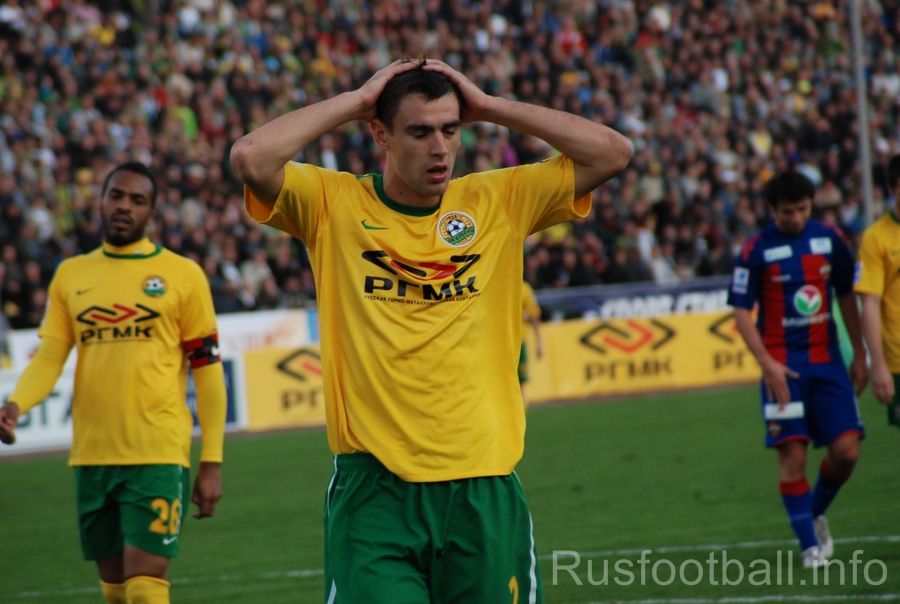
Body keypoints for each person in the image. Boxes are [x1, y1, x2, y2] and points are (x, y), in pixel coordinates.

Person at [230, 59, 632, 602]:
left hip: (482, 484)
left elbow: (612, 152)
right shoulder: (333, 204)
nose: (440, 147)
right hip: (375, 491)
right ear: (381, 135)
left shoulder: (499, 200)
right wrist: (356, 101)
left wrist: (489, 106)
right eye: (419, 132)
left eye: (450, 129)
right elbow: (251, 157)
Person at [0, 162, 227, 604]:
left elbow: (208, 370)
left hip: (157, 451)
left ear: (152, 213)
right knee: (116, 592)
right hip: (92, 455)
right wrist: (15, 405)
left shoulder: (183, 275)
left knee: (144, 586)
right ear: (101, 201)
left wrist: (212, 462)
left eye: (137, 200)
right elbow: (50, 356)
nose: (125, 206)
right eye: (117, 196)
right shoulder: (72, 275)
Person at [727, 171, 868, 568]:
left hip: (828, 362)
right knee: (792, 456)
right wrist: (767, 365)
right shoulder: (755, 249)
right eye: (788, 212)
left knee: (847, 452)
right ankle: (810, 549)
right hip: (783, 368)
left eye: (803, 209)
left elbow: (846, 295)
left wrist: (859, 354)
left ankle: (814, 512)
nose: (796, 218)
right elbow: (740, 311)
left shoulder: (829, 239)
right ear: (773, 210)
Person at [855, 153, 900, 427]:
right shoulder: (876, 238)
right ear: (892, 188)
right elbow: (869, 304)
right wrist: (878, 364)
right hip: (898, 360)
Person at [520, 279, 544, 402]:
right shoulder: (499, 285)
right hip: (501, 342)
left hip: (519, 341)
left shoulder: (523, 288)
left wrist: (539, 343)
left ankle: (520, 412)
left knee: (521, 381)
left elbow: (534, 315)